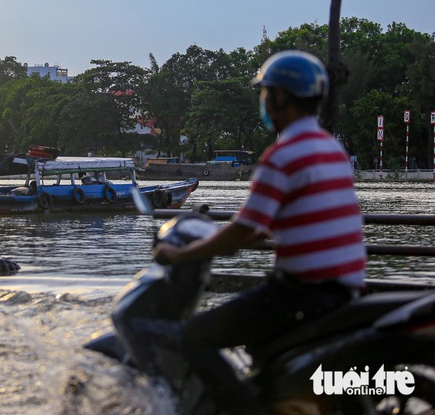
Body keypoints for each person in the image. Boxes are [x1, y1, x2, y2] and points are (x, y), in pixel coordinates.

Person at [152, 50, 367, 414]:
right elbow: (286, 222)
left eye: (266, 93)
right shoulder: (332, 148)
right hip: (345, 289)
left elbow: (246, 232)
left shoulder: (283, 156)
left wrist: (181, 254)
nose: (264, 102)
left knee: (193, 338)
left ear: (282, 97)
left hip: (301, 293)